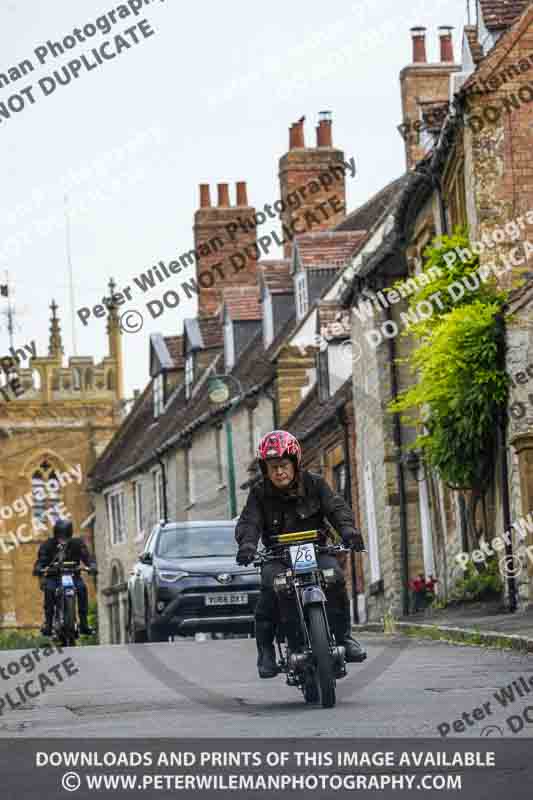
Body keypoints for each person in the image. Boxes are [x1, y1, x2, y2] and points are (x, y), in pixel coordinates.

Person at [235, 430, 367, 679]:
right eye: (273, 467)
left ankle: (345, 637)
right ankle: (265, 651)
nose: (279, 472)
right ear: (265, 470)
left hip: (316, 550)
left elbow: (336, 508)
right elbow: (249, 522)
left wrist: (349, 531)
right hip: (278, 556)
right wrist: (247, 546)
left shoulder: (315, 484)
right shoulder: (259, 493)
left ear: (294, 463)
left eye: (283, 465)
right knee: (270, 586)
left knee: (335, 577)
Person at [33, 517, 97, 636]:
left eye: (65, 537)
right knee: (49, 590)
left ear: (70, 535)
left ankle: (84, 624)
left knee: (82, 589)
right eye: (60, 537)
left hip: (73, 576)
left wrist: (92, 566)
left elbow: (88, 558)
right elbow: (41, 560)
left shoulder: (78, 543)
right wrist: (39, 568)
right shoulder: (47, 545)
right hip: (54, 577)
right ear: (56, 535)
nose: (62, 540)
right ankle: (48, 624)